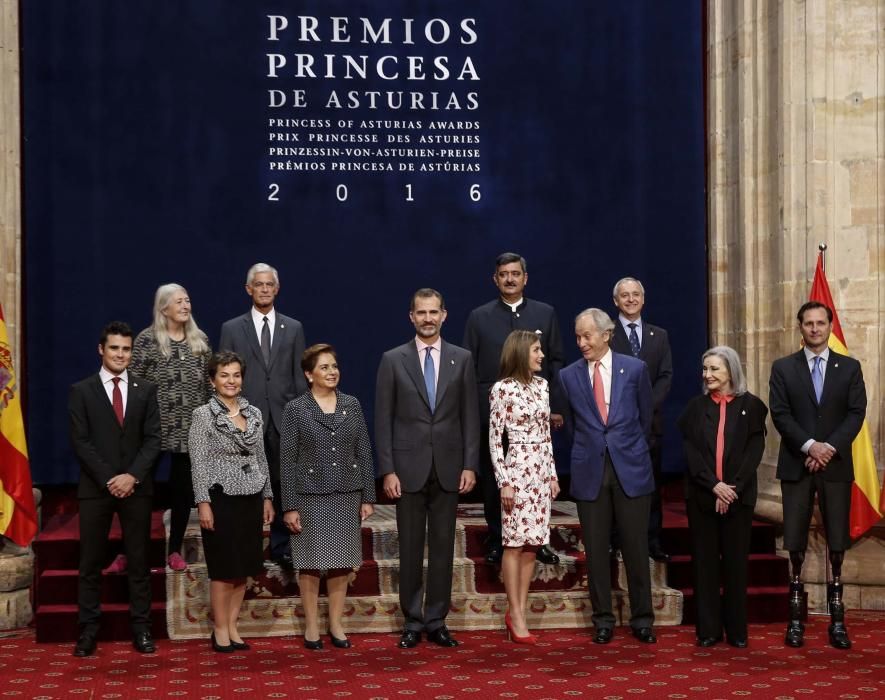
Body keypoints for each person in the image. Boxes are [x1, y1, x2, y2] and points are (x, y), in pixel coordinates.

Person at [375, 288, 479, 649]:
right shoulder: (392, 359)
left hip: (450, 468)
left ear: (444, 315)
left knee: (442, 547)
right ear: (411, 317)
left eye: (434, 312)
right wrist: (387, 469)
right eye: (421, 312)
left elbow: (470, 416)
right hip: (407, 470)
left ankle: (436, 620)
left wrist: (470, 464)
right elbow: (383, 419)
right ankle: (412, 619)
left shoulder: (462, 359)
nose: (428, 318)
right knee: (410, 546)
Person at [769, 301, 866, 649]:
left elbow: (856, 413)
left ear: (829, 326)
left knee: (837, 540)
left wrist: (828, 449)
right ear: (800, 328)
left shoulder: (850, 368)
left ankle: (837, 619)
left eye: (820, 323)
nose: (814, 329)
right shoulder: (783, 368)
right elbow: (780, 413)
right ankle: (796, 619)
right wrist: (810, 446)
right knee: (794, 540)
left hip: (836, 466)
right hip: (797, 464)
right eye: (808, 323)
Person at [558, 308, 656, 644]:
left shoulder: (636, 369)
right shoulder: (569, 376)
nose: (581, 342)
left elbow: (646, 419)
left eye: (586, 336)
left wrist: (624, 447)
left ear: (606, 334)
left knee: (635, 546)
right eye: (577, 336)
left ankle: (642, 618)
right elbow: (571, 426)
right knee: (596, 551)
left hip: (631, 469)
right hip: (590, 472)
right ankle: (603, 619)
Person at [463, 252, 565, 565]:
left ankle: (540, 540)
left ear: (525, 278)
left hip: (535, 417)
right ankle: (498, 539)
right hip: (492, 414)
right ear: (495, 279)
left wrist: (555, 407)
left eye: (515, 273)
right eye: (504, 274)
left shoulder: (544, 314)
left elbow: (556, 361)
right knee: (499, 482)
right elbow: (468, 367)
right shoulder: (479, 317)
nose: (510, 279)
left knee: (539, 478)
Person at [68, 321, 161, 657]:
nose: (121, 354)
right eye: (115, 348)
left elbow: (153, 440)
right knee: (90, 563)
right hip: (96, 489)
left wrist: (131, 477)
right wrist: (112, 478)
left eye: (126, 349)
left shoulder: (146, 390)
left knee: (139, 562)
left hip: (137, 487)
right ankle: (88, 631)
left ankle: (142, 629)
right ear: (101, 350)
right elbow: (81, 442)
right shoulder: (82, 390)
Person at [280, 344, 376, 650]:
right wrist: (290, 506)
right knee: (309, 562)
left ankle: (336, 623)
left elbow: (364, 450)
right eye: (324, 367)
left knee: (340, 562)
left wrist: (368, 496)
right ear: (309, 374)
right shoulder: (296, 409)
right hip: (309, 494)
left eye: (334, 366)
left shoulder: (352, 404)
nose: (332, 372)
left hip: (347, 492)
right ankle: (311, 626)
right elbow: (287, 459)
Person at [219, 263, 307, 569]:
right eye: (259, 284)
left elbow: (299, 376)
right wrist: (231, 416)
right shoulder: (232, 329)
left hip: (285, 416)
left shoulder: (293, 328)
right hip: (245, 418)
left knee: (284, 483)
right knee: (248, 482)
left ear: (277, 289)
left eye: (270, 284)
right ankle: (248, 546)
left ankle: (282, 546)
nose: (265, 289)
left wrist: (300, 417)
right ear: (249, 289)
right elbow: (225, 376)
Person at [678, 346, 768, 648]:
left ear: (730, 370)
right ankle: (708, 631)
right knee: (704, 566)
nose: (708, 375)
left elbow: (753, 453)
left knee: (734, 565)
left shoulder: (753, 407)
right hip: (703, 497)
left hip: (738, 499)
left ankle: (737, 631)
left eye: (714, 369)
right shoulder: (694, 408)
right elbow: (692, 453)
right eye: (705, 369)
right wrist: (714, 485)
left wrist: (731, 488)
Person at [189, 351, 274, 653]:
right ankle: (220, 628)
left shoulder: (254, 414)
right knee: (224, 568)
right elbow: (197, 463)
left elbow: (261, 457)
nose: (231, 380)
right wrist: (203, 502)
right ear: (213, 380)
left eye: (236, 375)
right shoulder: (202, 415)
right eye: (224, 375)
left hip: (251, 496)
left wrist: (268, 497)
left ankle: (234, 626)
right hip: (220, 498)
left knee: (244, 566)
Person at [130, 283, 211, 572]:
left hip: (189, 431)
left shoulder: (199, 341)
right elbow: (133, 383)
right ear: (164, 308)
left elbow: (208, 387)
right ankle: (130, 551)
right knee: (140, 493)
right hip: (152, 429)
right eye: (179, 302)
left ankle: (174, 549)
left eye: (187, 300)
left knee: (181, 494)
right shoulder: (147, 340)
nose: (185, 306)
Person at [489, 330, 560, 644]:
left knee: (532, 544)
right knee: (514, 543)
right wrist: (504, 481)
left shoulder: (543, 386)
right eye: (536, 350)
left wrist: (554, 475)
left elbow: (546, 435)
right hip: (516, 471)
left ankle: (521, 610)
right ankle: (514, 612)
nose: (541, 355)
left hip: (541, 473)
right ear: (520, 352)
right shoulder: (502, 389)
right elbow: (494, 440)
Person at [609, 277, 673, 562]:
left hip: (650, 426)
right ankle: (616, 540)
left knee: (651, 485)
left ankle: (652, 540)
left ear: (643, 300)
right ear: (616, 301)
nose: (631, 299)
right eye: (625, 295)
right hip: (617, 424)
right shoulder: (606, 334)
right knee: (616, 485)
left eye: (636, 294)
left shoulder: (659, 336)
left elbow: (665, 376)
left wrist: (645, 407)